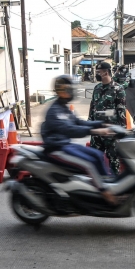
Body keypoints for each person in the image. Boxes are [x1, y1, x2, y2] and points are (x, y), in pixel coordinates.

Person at [42, 75, 116, 204]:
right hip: (56, 149)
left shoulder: (64, 107)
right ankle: (104, 192)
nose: (72, 92)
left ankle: (110, 184)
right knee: (89, 164)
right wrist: (94, 131)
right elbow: (70, 129)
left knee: (99, 155)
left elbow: (78, 122)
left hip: (66, 145)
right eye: (69, 89)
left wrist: (101, 124)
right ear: (61, 91)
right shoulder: (54, 111)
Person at [88, 62, 126, 175]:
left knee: (114, 161)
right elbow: (92, 107)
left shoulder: (118, 89)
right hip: (97, 131)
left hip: (111, 132)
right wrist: (89, 124)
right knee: (94, 160)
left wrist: (121, 131)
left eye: (99, 72)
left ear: (105, 72)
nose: (97, 74)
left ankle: (115, 185)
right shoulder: (97, 88)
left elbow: (121, 111)